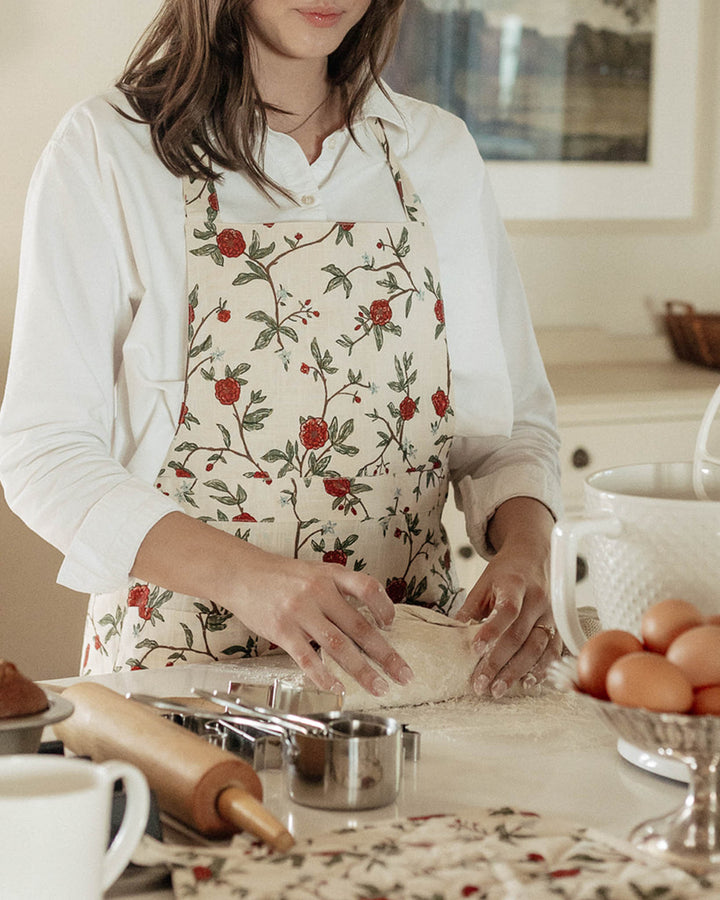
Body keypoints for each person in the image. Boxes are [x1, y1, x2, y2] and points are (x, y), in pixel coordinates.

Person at [0, 0, 562, 701]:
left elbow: (510, 432)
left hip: (407, 687)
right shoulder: (110, 148)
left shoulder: (435, 153)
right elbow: (44, 452)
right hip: (179, 684)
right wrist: (251, 579)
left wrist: (529, 552)